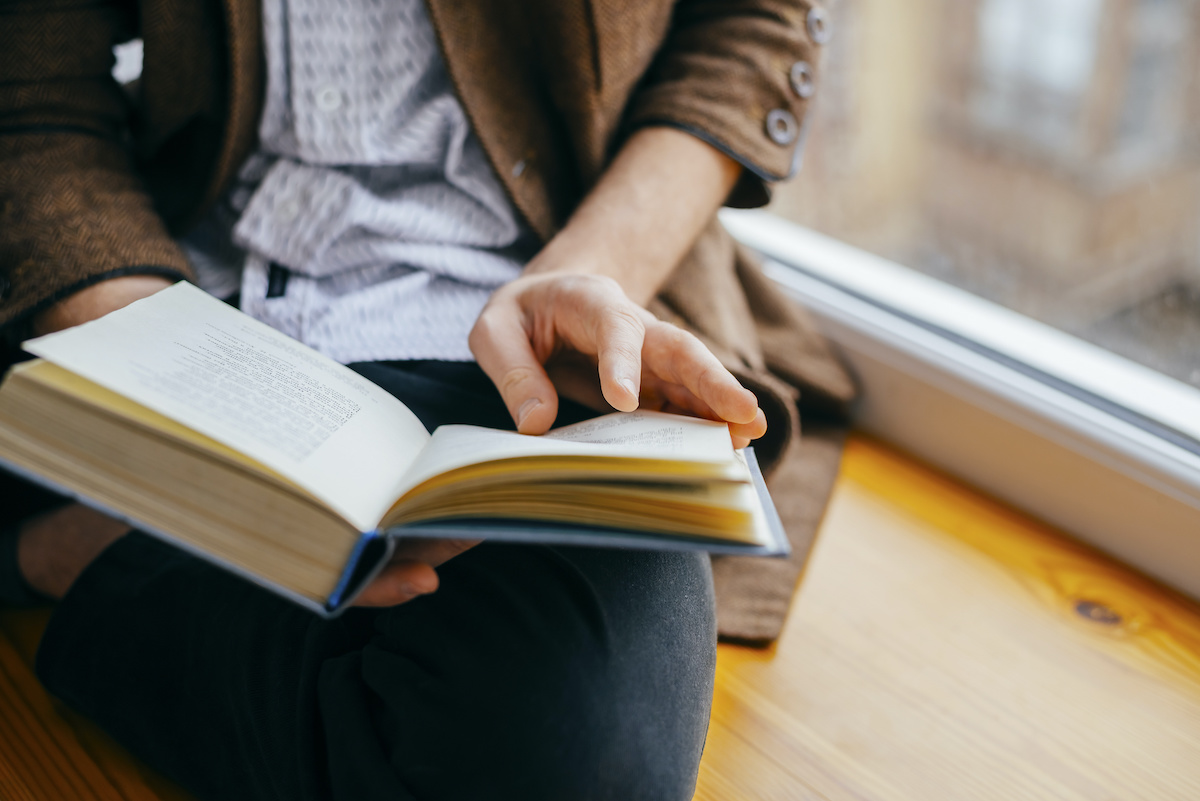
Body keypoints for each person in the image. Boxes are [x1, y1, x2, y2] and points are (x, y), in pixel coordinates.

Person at [0, 1, 848, 798]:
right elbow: (33, 84)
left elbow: (750, 21)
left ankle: (93, 546)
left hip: (531, 322)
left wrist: (588, 270)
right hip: (168, 283)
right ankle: (145, 537)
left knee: (582, 750)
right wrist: (165, 378)